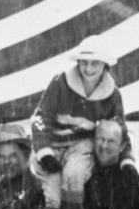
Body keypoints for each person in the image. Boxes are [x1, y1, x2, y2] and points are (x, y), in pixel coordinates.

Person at [30, 40, 126, 194]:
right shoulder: (60, 82)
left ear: (105, 65)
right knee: (52, 192)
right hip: (53, 143)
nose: (88, 69)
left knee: (73, 176)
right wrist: (44, 151)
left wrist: (127, 162)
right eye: (84, 62)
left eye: (95, 63)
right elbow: (41, 117)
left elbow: (120, 132)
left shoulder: (113, 95)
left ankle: (72, 208)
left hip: (82, 146)